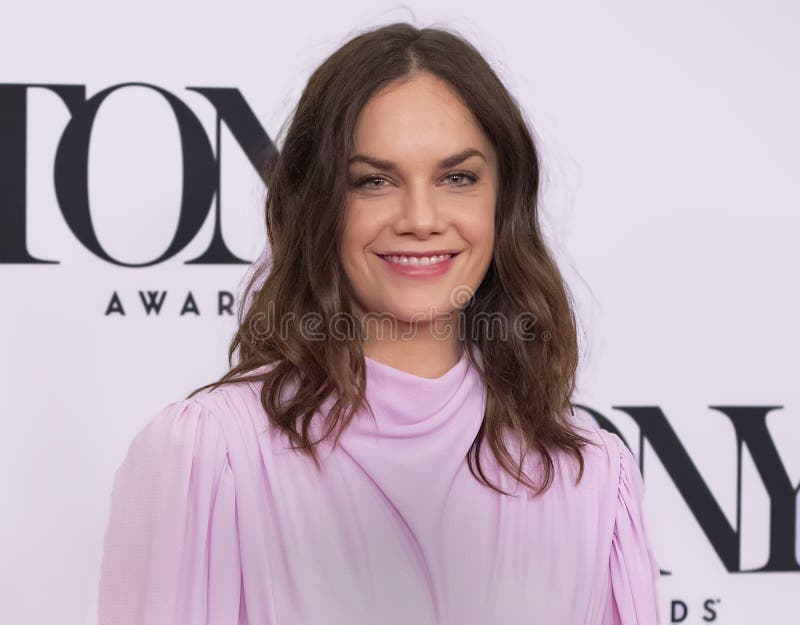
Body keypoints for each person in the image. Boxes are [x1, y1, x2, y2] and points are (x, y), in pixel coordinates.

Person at [96, 21, 662, 625]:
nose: (420, 218)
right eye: (374, 181)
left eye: (457, 178)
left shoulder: (591, 476)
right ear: (319, 205)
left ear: (504, 201)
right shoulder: (210, 457)